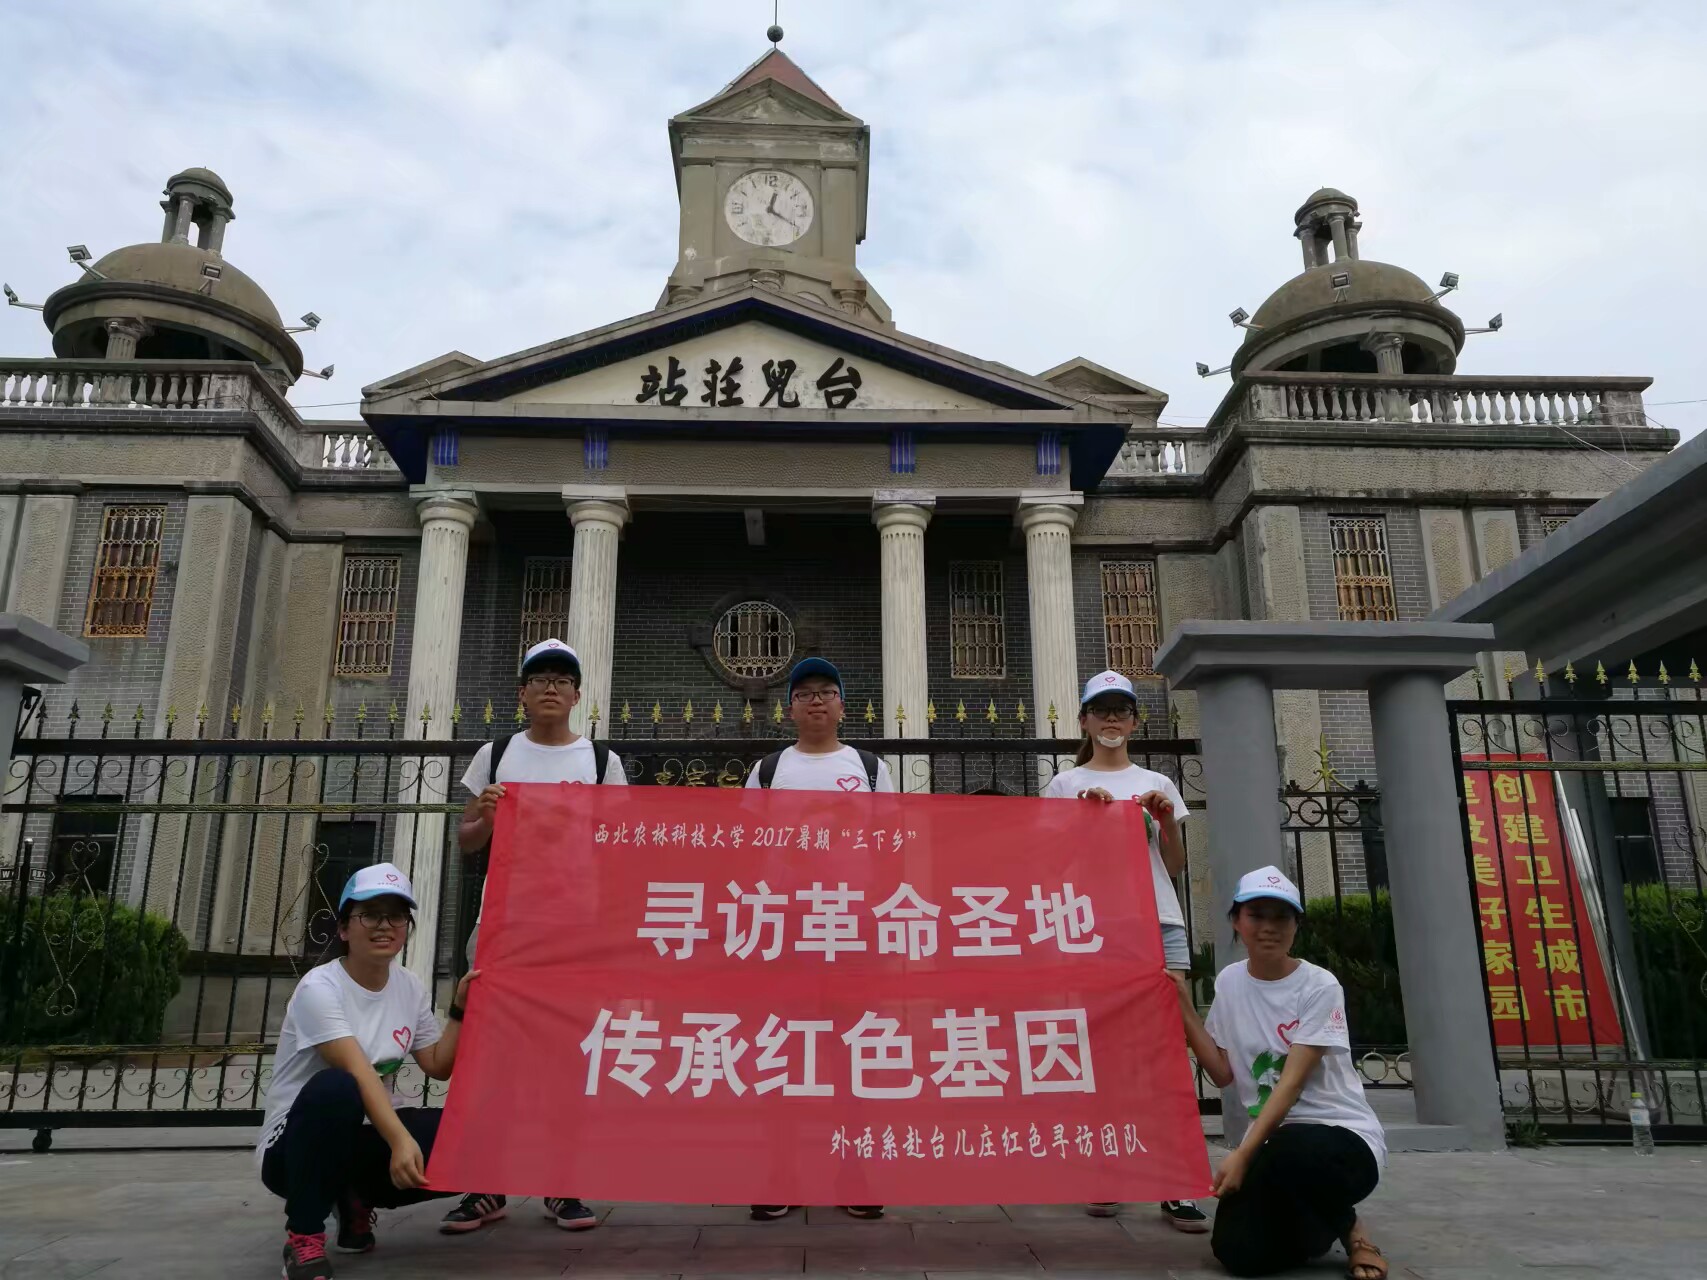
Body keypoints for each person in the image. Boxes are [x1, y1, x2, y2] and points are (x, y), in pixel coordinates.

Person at [438, 637, 626, 1235]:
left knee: (566, 1058)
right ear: (522, 693)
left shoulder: (600, 761)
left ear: (576, 695)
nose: (551, 687)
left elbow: (621, 845)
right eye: (540, 678)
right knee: (491, 1057)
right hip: (505, 928)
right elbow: (465, 840)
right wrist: (487, 818)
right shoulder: (496, 754)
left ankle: (561, 1183)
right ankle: (485, 1183)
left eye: (562, 679)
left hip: (574, 930)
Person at [1042, 669, 1208, 1233]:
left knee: (1169, 1051)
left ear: (1135, 721)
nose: (1111, 719)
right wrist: (1083, 822)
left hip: (1158, 921)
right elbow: (1052, 866)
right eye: (1101, 710)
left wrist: (1164, 822)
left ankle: (1175, 1180)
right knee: (1103, 1051)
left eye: (1121, 710)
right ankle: (1106, 1170)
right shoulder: (1064, 785)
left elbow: (1174, 865)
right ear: (1084, 720)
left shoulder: (1156, 780)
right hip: (1094, 926)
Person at [259, 863, 474, 1280]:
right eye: (370, 915)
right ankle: (304, 1237)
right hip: (293, 1149)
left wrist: (461, 1008)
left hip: (363, 1137)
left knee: (471, 1138)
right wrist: (400, 1140)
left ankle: (352, 1196)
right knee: (337, 1088)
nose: (384, 925)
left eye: (396, 916)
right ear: (343, 929)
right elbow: (359, 1072)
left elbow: (437, 1065)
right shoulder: (320, 989)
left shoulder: (408, 986)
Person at [1173, 866, 1388, 1279]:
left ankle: (1353, 1230)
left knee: (1290, 1146)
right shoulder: (1231, 982)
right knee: (1236, 1253)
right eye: (1256, 915)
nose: (1268, 927)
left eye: (1281, 917)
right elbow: (1221, 1073)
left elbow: (1289, 1086)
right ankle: (1318, 1227)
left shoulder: (1320, 986)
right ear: (1236, 921)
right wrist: (1182, 1005)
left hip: (1341, 1141)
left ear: (1296, 925)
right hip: (1273, 1148)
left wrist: (1242, 1155)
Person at [745, 656, 893, 1223]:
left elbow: (893, 849)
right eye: (804, 692)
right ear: (789, 708)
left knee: (851, 1053)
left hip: (852, 934)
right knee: (779, 1052)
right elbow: (743, 848)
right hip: (784, 933)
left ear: (842, 706)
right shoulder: (768, 771)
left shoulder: (870, 769)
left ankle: (853, 1171)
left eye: (826, 691)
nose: (815, 700)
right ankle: (780, 1173)